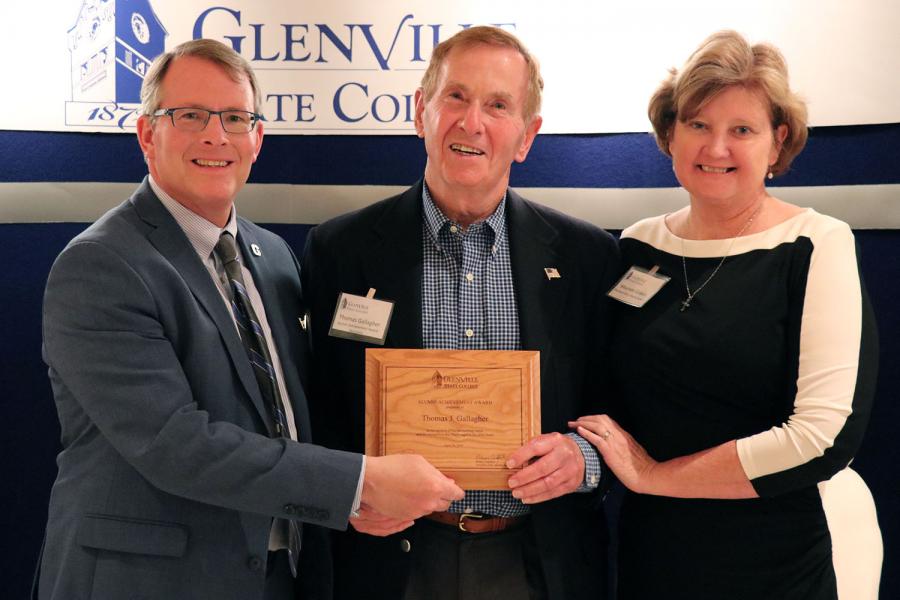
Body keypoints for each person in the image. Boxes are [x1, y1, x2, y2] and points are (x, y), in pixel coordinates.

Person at [35, 39, 463, 600]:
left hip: (273, 576)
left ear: (257, 139)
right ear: (146, 135)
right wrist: (357, 484)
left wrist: (350, 498)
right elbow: (175, 443)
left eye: (236, 118)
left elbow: (288, 415)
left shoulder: (273, 257)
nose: (216, 136)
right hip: (147, 581)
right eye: (190, 115)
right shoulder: (102, 264)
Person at [301, 26, 620, 600]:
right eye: (456, 97)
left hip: (538, 562)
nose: (472, 122)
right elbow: (316, 404)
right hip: (389, 562)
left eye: (498, 105)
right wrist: (346, 493)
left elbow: (618, 401)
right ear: (421, 110)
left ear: (527, 136)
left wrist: (585, 459)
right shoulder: (341, 251)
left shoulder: (586, 257)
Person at [571, 30, 879, 599]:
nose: (716, 149)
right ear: (670, 134)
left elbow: (823, 437)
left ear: (778, 140)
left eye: (741, 129)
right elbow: (606, 395)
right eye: (698, 125)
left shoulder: (815, 244)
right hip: (653, 559)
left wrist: (654, 477)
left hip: (770, 565)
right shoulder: (638, 246)